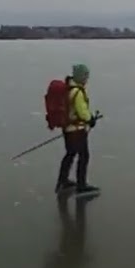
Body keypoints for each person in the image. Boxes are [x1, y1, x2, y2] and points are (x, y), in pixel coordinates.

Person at [57, 63, 99, 196]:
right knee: (84, 156)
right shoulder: (78, 92)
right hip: (77, 130)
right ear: (80, 76)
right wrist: (90, 120)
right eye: (86, 75)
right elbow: (82, 112)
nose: (87, 78)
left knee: (70, 154)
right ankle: (81, 185)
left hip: (67, 129)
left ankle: (63, 181)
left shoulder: (68, 88)